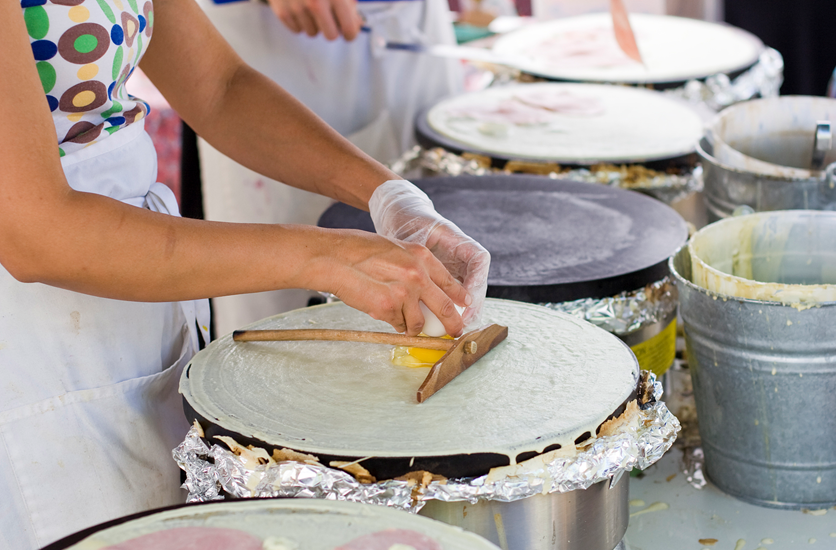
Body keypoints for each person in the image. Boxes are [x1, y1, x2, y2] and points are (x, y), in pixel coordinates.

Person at [0, 1, 489, 548]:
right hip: (32, 341)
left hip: (133, 301)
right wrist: (325, 256)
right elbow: (36, 233)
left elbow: (220, 85)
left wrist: (389, 195)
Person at [196, 0, 464, 335]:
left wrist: (388, 193)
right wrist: (323, 256)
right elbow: (219, 91)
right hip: (287, 48)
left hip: (412, 26)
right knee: (282, 330)